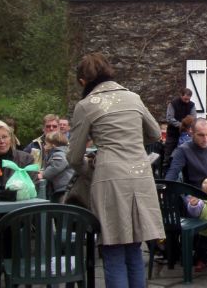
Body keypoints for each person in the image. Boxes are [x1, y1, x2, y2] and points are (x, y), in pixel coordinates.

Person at [68, 52, 165, 288]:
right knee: (134, 248)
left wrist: (89, 169)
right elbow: (154, 134)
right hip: (141, 176)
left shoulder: (86, 105)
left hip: (110, 178)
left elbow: (73, 157)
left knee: (112, 251)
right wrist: (130, 140)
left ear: (83, 81)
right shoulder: (133, 97)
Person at [166, 118, 207, 187]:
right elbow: (173, 173)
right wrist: (166, 189)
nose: (205, 139)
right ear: (192, 133)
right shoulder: (183, 150)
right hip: (194, 192)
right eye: (201, 135)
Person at [0, 120, 36, 187]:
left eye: (4, 137)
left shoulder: (26, 159)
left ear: (10, 138)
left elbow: (33, 187)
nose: (2, 141)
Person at [165, 88, 197, 171]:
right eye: (185, 99)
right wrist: (181, 125)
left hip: (186, 134)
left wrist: (187, 127)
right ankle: (167, 174)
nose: (187, 101)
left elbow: (194, 118)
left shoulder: (192, 105)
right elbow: (169, 118)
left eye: (189, 99)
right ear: (181, 95)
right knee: (169, 155)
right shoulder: (173, 104)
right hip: (173, 134)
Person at [39, 131, 74, 196]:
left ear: (53, 145)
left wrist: (43, 174)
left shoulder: (59, 154)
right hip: (63, 186)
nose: (44, 146)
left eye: (46, 144)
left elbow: (55, 167)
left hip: (63, 187)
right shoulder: (63, 152)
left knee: (61, 202)